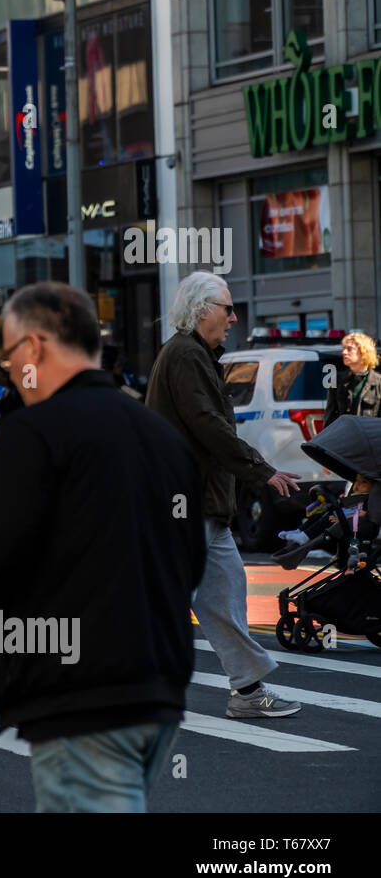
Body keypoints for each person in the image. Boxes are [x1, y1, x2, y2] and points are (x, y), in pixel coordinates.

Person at [0, 282, 206, 813]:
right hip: (159, 686)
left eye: (11, 355)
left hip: (79, 691)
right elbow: (191, 561)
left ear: (36, 348)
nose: (10, 371)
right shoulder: (162, 438)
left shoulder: (34, 433)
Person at [145, 272, 302, 718]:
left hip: (199, 503)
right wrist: (262, 471)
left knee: (223, 594)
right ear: (201, 310)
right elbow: (208, 426)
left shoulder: (194, 354)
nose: (234, 317)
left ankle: (248, 691)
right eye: (227, 308)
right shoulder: (185, 355)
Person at [324, 332, 381, 428]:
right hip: (345, 440)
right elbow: (329, 419)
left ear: (364, 352)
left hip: (370, 441)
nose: (344, 352)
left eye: (349, 349)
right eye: (344, 348)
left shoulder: (378, 383)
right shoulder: (338, 382)